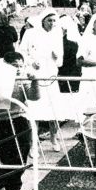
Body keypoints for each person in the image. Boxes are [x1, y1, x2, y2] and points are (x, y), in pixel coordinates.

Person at [20, 9, 64, 151]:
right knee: (35, 111)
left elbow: (60, 62)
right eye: (49, 20)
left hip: (51, 76)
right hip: (35, 76)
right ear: (43, 20)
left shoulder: (57, 35)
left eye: (54, 21)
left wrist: (57, 57)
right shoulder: (30, 33)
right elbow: (21, 53)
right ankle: (33, 144)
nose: (51, 23)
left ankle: (53, 138)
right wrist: (31, 62)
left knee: (54, 111)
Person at [0, 51, 33, 190]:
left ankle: (13, 186)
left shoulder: (22, 80)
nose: (17, 69)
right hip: (3, 121)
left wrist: (34, 81)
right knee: (2, 152)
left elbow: (34, 96)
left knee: (20, 153)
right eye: (14, 65)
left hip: (20, 119)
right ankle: (0, 178)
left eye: (20, 66)